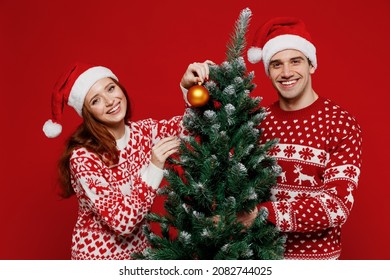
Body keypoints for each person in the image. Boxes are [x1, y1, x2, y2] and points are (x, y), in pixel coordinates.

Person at [42, 61, 211, 260]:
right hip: (98, 259)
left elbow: (188, 129)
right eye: (96, 100)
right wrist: (154, 167)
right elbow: (123, 223)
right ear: (88, 114)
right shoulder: (83, 158)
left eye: (111, 88)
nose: (109, 101)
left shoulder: (142, 132)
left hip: (140, 254)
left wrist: (188, 87)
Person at [240, 17, 363, 260]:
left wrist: (262, 215)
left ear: (311, 65)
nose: (286, 73)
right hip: (258, 258)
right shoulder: (257, 121)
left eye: (295, 61)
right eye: (276, 64)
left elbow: (336, 206)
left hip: (314, 262)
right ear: (268, 71)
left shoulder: (340, 124)